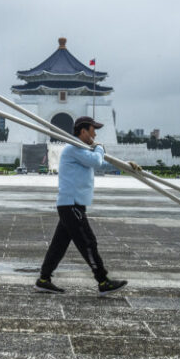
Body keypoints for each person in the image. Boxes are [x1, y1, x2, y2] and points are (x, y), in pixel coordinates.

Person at [35, 116, 133, 297]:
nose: (95, 134)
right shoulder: (73, 149)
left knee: (59, 246)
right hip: (72, 206)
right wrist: (100, 148)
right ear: (83, 131)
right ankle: (103, 281)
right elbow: (96, 160)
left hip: (70, 205)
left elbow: (100, 163)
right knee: (88, 242)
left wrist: (126, 166)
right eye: (93, 129)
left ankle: (43, 280)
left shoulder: (81, 151)